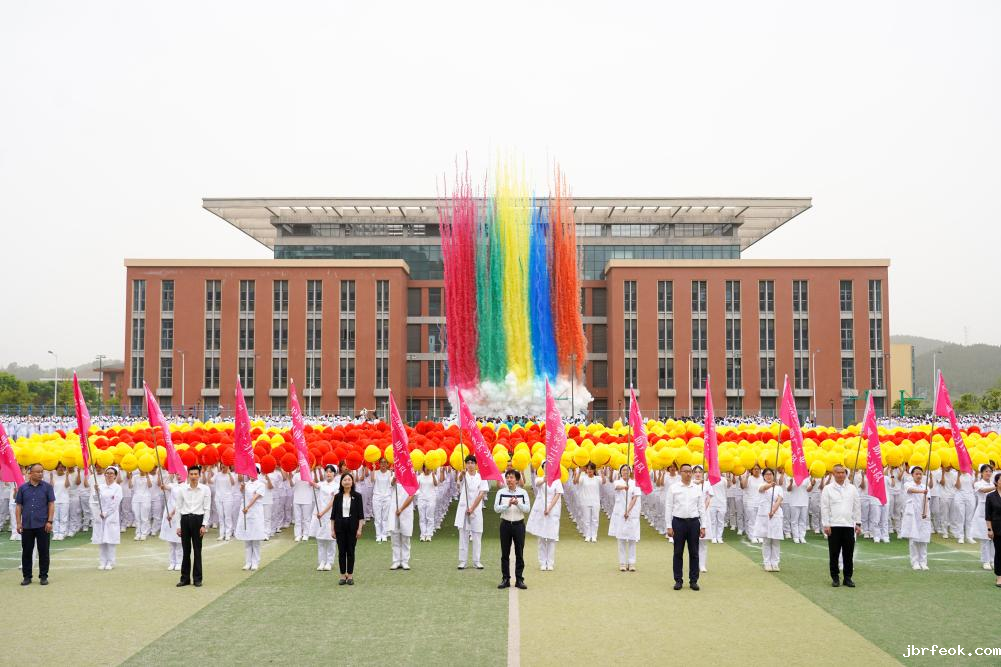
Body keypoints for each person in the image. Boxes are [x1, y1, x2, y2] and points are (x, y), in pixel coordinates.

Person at [665, 463, 707, 589]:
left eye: (690, 472)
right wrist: (668, 526)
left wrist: (703, 526)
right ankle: (678, 580)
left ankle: (693, 580)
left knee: (694, 553)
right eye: (685, 471)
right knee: (678, 552)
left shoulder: (697, 488)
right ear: (680, 473)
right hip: (678, 522)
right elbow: (668, 507)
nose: (688, 474)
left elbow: (701, 507)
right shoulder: (673, 488)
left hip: (694, 523)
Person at [821, 464, 861, 587]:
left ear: (845, 474)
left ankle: (848, 578)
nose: (841, 475)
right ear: (833, 474)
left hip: (848, 525)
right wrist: (826, 524)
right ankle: (835, 577)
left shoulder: (852, 488)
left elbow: (857, 506)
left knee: (848, 553)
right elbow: (824, 507)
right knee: (834, 553)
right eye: (838, 472)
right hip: (834, 525)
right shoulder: (828, 489)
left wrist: (858, 523)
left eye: (843, 472)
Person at [14, 463, 55, 585]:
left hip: (43, 524)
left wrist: (50, 521)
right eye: (37, 472)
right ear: (30, 473)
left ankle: (43, 576)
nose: (40, 474)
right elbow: (19, 506)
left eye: (42, 471)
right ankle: (27, 577)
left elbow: (51, 504)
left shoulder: (47, 487)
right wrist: (18, 522)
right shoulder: (23, 488)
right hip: (27, 525)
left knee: (44, 552)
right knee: (26, 551)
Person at [176, 465, 212, 588]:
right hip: (185, 520)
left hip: (198, 520)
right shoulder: (182, 489)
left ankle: (197, 579)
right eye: (191, 474)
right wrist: (178, 526)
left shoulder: (205, 489)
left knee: (197, 550)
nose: (193, 476)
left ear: (199, 475)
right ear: (188, 475)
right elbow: (178, 508)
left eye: (196, 474)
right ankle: (185, 578)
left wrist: (204, 525)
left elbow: (207, 508)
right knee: (185, 551)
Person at [495, 469, 530, 590]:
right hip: (505, 525)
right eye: (507, 477)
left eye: (511, 477)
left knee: (519, 553)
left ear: (517, 480)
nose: (509, 480)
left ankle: (519, 579)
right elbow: (496, 508)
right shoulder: (500, 492)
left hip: (519, 525)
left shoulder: (523, 493)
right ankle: (505, 579)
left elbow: (527, 509)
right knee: (505, 553)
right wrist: (508, 505)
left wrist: (517, 504)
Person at [526, 462, 562, 571]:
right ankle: (542, 562)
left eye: (549, 466)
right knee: (541, 538)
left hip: (552, 511)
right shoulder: (539, 479)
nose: (547, 468)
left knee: (551, 538)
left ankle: (550, 563)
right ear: (542, 468)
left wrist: (549, 508)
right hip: (541, 510)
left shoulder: (557, 481)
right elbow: (537, 484)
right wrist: (544, 480)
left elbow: (558, 495)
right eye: (545, 467)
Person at [454, 455, 488, 570]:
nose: (470, 465)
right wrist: (461, 475)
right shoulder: (464, 475)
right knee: (463, 535)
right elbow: (458, 483)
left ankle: (476, 561)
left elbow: (481, 493)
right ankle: (462, 561)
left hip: (476, 510)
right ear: (466, 464)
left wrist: (472, 508)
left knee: (477, 534)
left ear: (476, 464)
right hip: (464, 509)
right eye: (468, 463)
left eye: (472, 463)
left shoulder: (481, 477)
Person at [331, 472, 365, 585]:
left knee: (350, 551)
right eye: (344, 480)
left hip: (352, 527)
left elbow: (361, 515)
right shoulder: (337, 497)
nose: (347, 482)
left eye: (349, 480)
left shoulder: (357, 496)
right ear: (341, 482)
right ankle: (342, 575)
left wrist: (359, 529)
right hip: (340, 527)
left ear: (352, 482)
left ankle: (350, 575)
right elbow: (333, 515)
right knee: (341, 552)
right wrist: (332, 529)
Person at [900, 466, 933, 570]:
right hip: (912, 515)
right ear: (912, 475)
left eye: (920, 474)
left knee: (923, 539)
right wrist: (922, 491)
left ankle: (923, 562)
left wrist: (925, 512)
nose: (919, 476)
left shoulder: (925, 486)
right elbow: (910, 490)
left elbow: (927, 501)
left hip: (923, 515)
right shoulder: (908, 484)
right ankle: (915, 562)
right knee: (913, 539)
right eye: (916, 474)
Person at [609, 465, 641, 572]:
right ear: (620, 472)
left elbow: (635, 498)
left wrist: (628, 511)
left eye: (627, 470)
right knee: (621, 539)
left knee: (632, 539)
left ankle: (631, 563)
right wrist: (624, 487)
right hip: (619, 513)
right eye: (623, 470)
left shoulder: (635, 483)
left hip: (631, 514)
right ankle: (622, 563)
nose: (625, 472)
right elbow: (617, 487)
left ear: (630, 472)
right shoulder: (617, 482)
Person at [91, 467, 124, 570]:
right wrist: (96, 492)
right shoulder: (100, 486)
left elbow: (115, 503)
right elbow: (95, 500)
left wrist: (106, 513)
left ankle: (110, 562)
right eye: (107, 473)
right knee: (101, 540)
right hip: (100, 516)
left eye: (111, 473)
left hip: (111, 516)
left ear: (115, 476)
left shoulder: (117, 488)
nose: (109, 475)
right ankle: (102, 561)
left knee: (110, 540)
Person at [234, 467, 266, 571]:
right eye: (250, 473)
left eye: (253, 473)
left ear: (257, 473)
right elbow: (242, 494)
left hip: (255, 513)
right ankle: (248, 562)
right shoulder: (246, 484)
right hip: (245, 513)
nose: (251, 475)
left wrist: (247, 507)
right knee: (247, 538)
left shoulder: (261, 484)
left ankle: (255, 562)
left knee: (255, 539)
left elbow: (255, 498)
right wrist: (242, 488)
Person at [755, 468, 785, 572]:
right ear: (763, 476)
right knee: (767, 540)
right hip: (764, 515)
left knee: (775, 540)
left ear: (773, 475)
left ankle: (775, 563)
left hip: (776, 515)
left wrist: (773, 511)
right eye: (766, 474)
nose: (769, 476)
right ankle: (767, 563)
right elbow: (762, 489)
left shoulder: (779, 488)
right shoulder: (761, 485)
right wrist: (770, 485)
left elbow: (779, 500)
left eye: (770, 474)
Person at [311, 465, 339, 571]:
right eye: (327, 471)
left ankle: (329, 562)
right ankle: (322, 561)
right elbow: (313, 484)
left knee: (331, 539)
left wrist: (323, 512)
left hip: (331, 515)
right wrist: (309, 472)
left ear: (334, 474)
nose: (328, 473)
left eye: (331, 472)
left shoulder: (337, 486)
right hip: (320, 515)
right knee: (320, 539)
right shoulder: (321, 484)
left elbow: (333, 501)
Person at [389, 473, 415, 570]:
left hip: (406, 510)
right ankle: (396, 561)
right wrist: (395, 478)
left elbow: (411, 496)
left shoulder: (411, 478)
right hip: (394, 510)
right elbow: (391, 484)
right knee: (395, 536)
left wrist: (401, 509)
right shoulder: (394, 476)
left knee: (405, 536)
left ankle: (405, 561)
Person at [971, 465, 995, 570]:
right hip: (983, 512)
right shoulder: (978, 483)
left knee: (994, 538)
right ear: (981, 473)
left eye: (990, 471)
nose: (988, 473)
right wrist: (997, 486)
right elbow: (984, 490)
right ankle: (985, 561)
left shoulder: (993, 483)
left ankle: (993, 560)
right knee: (985, 538)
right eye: (986, 471)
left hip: (994, 512)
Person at [158, 474, 182, 571]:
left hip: (178, 514)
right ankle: (172, 562)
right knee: (171, 541)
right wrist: (163, 485)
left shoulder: (186, 487)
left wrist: (172, 513)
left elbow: (181, 503)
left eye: (181, 474)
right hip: (169, 516)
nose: (179, 476)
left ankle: (179, 562)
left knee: (179, 541)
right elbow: (165, 487)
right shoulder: (173, 485)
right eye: (177, 474)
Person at [574, 463, 601, 542]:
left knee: (595, 519)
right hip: (585, 501)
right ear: (586, 470)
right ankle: (587, 535)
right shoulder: (583, 478)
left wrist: (602, 473)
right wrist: (579, 472)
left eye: (591, 469)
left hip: (595, 501)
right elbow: (575, 482)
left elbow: (603, 481)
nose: (589, 471)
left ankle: (594, 536)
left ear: (594, 470)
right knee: (586, 519)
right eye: (588, 469)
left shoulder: (597, 478)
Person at [985, 472, 1001, 587]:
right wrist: (989, 529)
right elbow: (988, 515)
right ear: (996, 482)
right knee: (999, 552)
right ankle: (999, 576)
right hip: (997, 528)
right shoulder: (990, 496)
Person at [371, 459, 393, 543]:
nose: (383, 464)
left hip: (387, 497)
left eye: (385, 462)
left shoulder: (390, 472)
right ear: (379, 464)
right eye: (381, 462)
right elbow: (372, 480)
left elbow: (392, 483)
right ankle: (378, 535)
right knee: (377, 518)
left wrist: (392, 472)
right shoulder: (376, 472)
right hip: (377, 497)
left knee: (385, 517)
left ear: (387, 464)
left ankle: (384, 535)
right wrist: (373, 469)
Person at [48, 463, 71, 541]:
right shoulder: (53, 476)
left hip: (64, 500)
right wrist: (51, 478)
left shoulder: (67, 476)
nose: (60, 468)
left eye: (62, 467)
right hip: (55, 500)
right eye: (59, 467)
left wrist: (67, 476)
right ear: (56, 468)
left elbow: (67, 486)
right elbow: (51, 487)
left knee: (63, 518)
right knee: (55, 518)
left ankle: (62, 533)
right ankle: (56, 533)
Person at [416, 465, 438, 542]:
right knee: (422, 517)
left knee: (430, 517)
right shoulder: (419, 477)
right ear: (423, 468)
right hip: (421, 498)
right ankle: (423, 534)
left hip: (431, 498)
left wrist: (433, 476)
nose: (428, 469)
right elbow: (416, 486)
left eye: (429, 467)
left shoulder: (433, 475)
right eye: (426, 467)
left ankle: (429, 535)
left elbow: (436, 484)